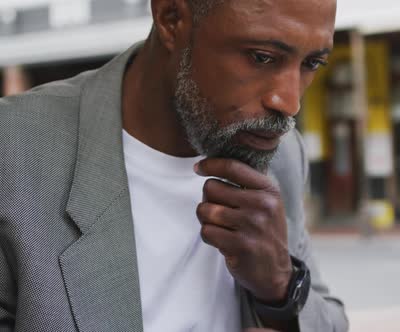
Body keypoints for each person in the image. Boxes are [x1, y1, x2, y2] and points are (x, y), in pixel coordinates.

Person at [0, 0, 348, 331]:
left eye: (312, 64)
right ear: (171, 18)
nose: (289, 103)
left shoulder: (282, 154)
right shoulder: (15, 152)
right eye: (262, 57)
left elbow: (328, 317)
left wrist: (282, 287)